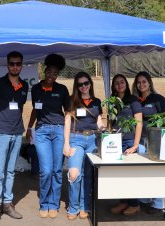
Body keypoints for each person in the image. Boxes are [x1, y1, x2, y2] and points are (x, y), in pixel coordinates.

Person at [0, 51, 28, 226]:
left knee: (10, 172)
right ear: (7, 64)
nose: (15, 66)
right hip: (0, 134)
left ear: (22, 65)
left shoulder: (24, 85)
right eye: (12, 63)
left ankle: (7, 204)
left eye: (18, 64)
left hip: (17, 133)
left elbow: (19, 108)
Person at [26, 53, 69, 218]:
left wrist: (68, 132)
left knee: (57, 170)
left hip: (59, 130)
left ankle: (53, 203)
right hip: (42, 131)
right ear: (45, 71)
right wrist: (29, 127)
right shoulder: (36, 89)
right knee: (46, 170)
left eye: (55, 73)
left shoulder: (62, 90)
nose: (51, 75)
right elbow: (36, 110)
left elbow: (67, 113)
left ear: (58, 75)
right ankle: (44, 203)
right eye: (49, 72)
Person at [63, 72, 104, 220]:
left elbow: (98, 121)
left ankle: (84, 206)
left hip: (92, 140)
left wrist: (103, 129)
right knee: (74, 173)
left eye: (86, 83)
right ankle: (73, 207)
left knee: (88, 174)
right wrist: (66, 144)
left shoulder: (97, 101)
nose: (84, 87)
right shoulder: (71, 100)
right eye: (80, 84)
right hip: (76, 139)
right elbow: (67, 122)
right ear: (76, 86)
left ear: (90, 84)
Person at [132, 71, 165, 214]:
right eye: (138, 82)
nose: (141, 85)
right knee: (142, 171)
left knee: (156, 171)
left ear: (149, 83)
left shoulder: (158, 99)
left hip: (155, 141)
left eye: (144, 82)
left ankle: (158, 203)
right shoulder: (136, 100)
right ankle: (145, 200)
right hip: (140, 140)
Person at [109, 74, 143, 216]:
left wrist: (135, 144)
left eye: (122, 82)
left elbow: (139, 122)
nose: (119, 85)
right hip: (116, 142)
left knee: (130, 174)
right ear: (113, 86)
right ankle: (123, 201)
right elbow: (110, 122)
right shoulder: (112, 101)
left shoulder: (133, 100)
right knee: (120, 174)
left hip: (129, 141)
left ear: (126, 84)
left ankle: (134, 204)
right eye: (116, 83)